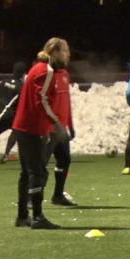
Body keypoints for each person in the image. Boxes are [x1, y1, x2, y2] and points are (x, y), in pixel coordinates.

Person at [12, 38, 70, 229]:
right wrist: (56, 123)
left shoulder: (37, 68)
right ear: (55, 52)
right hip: (31, 128)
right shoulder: (47, 71)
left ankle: (22, 216)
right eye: (65, 50)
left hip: (23, 126)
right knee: (37, 172)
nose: (67, 54)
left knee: (27, 172)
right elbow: (42, 100)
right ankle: (37, 217)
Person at [44, 57, 76, 206]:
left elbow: (67, 102)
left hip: (61, 127)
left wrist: (70, 125)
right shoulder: (47, 74)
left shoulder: (65, 74)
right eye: (63, 52)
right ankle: (31, 196)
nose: (66, 56)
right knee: (41, 162)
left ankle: (58, 194)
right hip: (49, 126)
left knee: (64, 159)